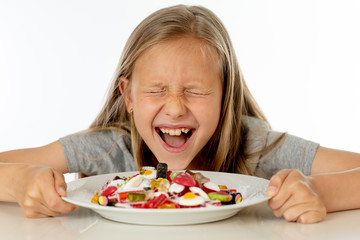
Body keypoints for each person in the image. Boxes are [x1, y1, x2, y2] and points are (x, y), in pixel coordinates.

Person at [0, 4, 359, 223]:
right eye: (156, 90)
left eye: (196, 91)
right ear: (127, 97)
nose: (174, 108)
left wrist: (320, 192)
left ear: (225, 98)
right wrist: (18, 183)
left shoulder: (256, 148)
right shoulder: (109, 149)